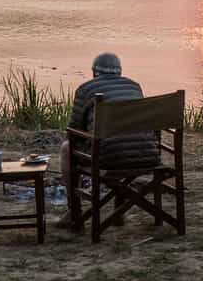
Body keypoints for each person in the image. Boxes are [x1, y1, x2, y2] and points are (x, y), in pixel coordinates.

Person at [58, 52, 159, 227]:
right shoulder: (135, 87)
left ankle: (74, 211)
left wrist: (82, 141)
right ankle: (119, 212)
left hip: (108, 159)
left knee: (67, 149)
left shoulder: (85, 89)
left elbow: (73, 131)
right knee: (118, 144)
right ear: (119, 72)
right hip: (147, 156)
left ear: (94, 72)